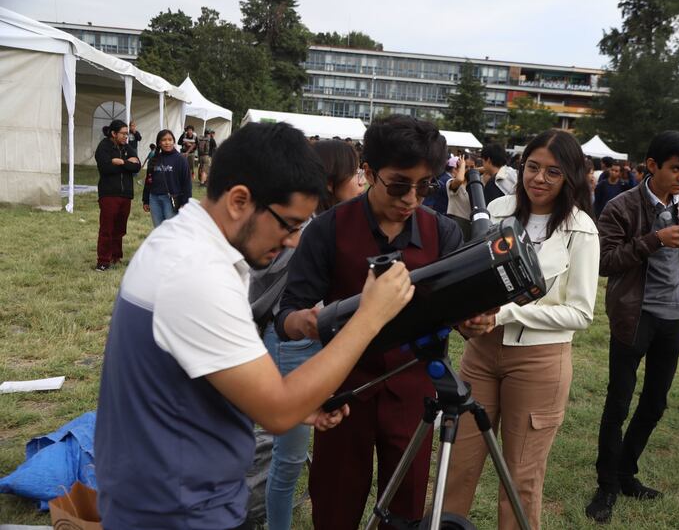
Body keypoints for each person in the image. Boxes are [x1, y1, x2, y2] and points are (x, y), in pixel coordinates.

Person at [94, 121, 415, 529]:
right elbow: (277, 411)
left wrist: (297, 402)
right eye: (289, 224)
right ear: (240, 201)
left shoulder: (186, 243)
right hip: (177, 509)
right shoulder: (196, 273)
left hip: (175, 494)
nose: (294, 241)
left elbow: (204, 376)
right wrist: (370, 317)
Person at [274, 115, 492, 529]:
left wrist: (473, 320)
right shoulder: (328, 230)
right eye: (398, 185)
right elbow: (286, 314)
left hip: (416, 394)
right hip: (344, 391)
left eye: (424, 186)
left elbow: (457, 309)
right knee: (335, 507)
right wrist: (305, 321)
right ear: (369, 173)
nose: (412, 198)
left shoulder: (442, 232)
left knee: (406, 514)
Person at [443, 129, 600, 530]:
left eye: (553, 171)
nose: (539, 179)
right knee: (455, 464)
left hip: (539, 363)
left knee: (521, 479)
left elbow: (580, 313)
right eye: (532, 167)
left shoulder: (580, 228)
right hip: (480, 355)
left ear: (570, 177)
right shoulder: (496, 211)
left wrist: (509, 314)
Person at [586, 130, 679, 524]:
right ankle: (606, 485)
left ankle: (625, 472)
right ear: (652, 166)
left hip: (673, 315)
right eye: (676, 169)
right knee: (618, 403)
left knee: (654, 403)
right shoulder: (621, 207)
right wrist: (654, 239)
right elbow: (604, 261)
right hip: (634, 317)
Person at [258, 138, 365, 530]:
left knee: (311, 448)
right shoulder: (311, 228)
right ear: (335, 178)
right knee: (288, 459)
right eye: (356, 174)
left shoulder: (331, 223)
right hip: (295, 343)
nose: (361, 184)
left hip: (317, 342)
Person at [93, 119, 141, 271]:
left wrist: (120, 162)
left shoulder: (127, 147)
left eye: (127, 134)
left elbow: (137, 166)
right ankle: (103, 261)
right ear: (113, 133)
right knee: (107, 228)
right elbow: (106, 168)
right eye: (123, 134)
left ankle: (116, 257)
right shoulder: (103, 147)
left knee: (120, 228)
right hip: (109, 193)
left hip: (125, 194)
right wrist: (127, 163)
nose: (126, 137)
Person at [142, 129, 192, 228]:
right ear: (159, 143)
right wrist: (146, 200)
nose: (167, 142)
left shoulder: (181, 159)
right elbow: (148, 180)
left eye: (170, 140)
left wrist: (185, 202)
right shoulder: (153, 160)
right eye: (164, 140)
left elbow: (187, 183)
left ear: (174, 141)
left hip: (171, 200)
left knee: (171, 230)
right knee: (158, 230)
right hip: (154, 199)